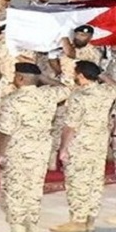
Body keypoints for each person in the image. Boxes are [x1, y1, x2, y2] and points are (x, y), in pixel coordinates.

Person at [0, 63, 69, 232]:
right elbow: (65, 89)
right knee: (34, 189)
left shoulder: (12, 100)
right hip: (40, 149)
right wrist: (43, 78)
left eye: (16, 75)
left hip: (18, 150)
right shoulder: (48, 95)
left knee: (15, 190)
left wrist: (1, 154)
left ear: (20, 78)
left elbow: (4, 131)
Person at [50, 63, 116, 232]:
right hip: (99, 144)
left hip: (80, 144)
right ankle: (90, 220)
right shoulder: (106, 91)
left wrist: (63, 148)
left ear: (80, 75)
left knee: (77, 181)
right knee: (95, 181)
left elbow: (70, 126)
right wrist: (100, 74)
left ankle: (78, 221)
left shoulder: (79, 96)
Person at [47, 25, 103, 170]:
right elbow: (59, 68)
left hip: (80, 96)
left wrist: (63, 38)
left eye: (84, 36)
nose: (80, 38)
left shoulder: (92, 52)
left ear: (90, 37)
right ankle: (52, 160)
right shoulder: (67, 48)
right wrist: (52, 58)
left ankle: (68, 160)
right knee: (57, 125)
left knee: (74, 128)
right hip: (64, 94)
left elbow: (72, 56)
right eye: (77, 34)